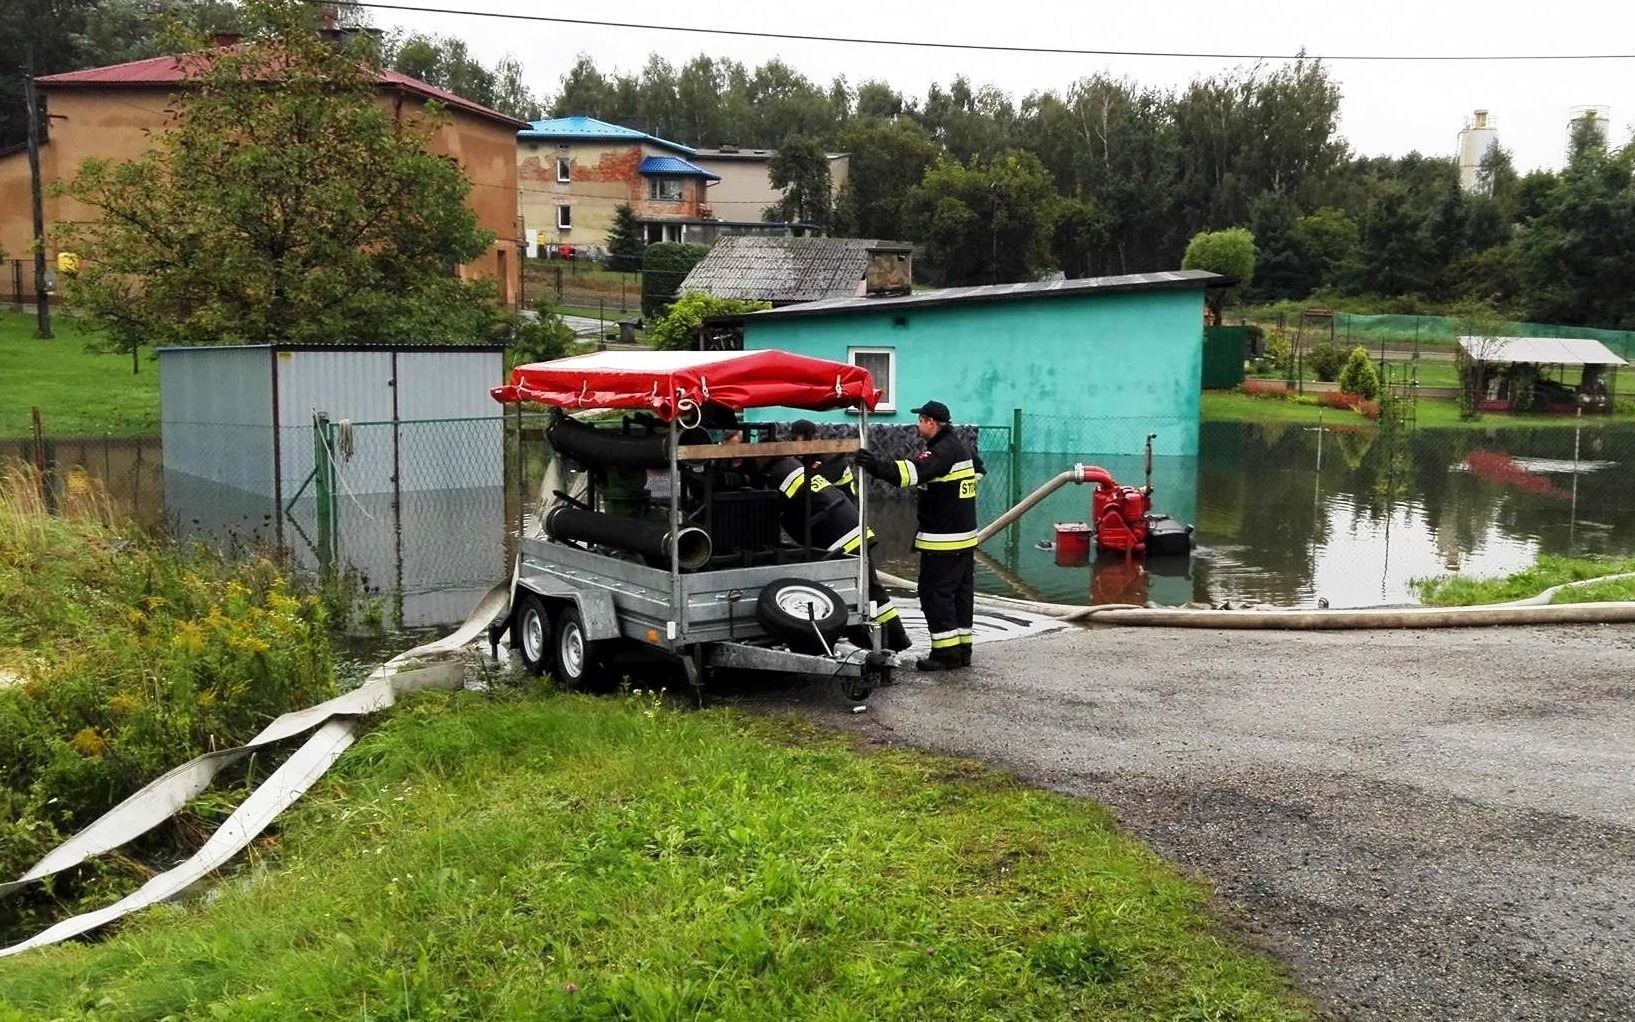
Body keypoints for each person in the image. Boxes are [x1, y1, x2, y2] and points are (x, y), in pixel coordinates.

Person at [853, 400, 979, 672]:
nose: (918, 426)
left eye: (920, 421)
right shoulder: (961, 447)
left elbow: (910, 473)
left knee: (935, 594)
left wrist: (874, 465)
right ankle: (961, 651)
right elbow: (978, 471)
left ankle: (945, 655)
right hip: (964, 538)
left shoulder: (941, 451)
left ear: (930, 422)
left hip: (943, 539)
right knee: (960, 594)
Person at [758, 453, 913, 653]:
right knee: (870, 589)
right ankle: (891, 639)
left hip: (840, 537)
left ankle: (894, 639)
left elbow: (771, 508)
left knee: (870, 592)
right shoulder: (791, 465)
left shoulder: (779, 473)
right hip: (851, 528)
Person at [789, 419, 856, 498]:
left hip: (841, 504)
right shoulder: (804, 458)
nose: (794, 444)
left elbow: (814, 485)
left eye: (795, 439)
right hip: (824, 503)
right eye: (792, 439)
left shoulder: (829, 458)